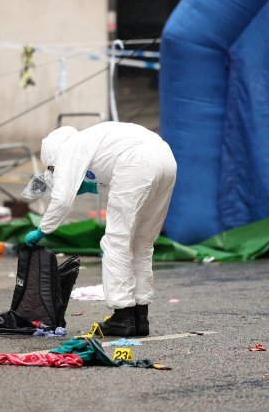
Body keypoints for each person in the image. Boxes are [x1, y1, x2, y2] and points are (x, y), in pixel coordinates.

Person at [24, 122, 177, 337]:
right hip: (165, 156)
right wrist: (93, 186)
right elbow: (118, 176)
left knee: (117, 241)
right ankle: (139, 317)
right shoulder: (90, 139)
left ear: (53, 157)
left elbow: (61, 199)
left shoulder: (69, 148)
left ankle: (123, 317)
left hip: (137, 162)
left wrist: (42, 230)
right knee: (142, 243)